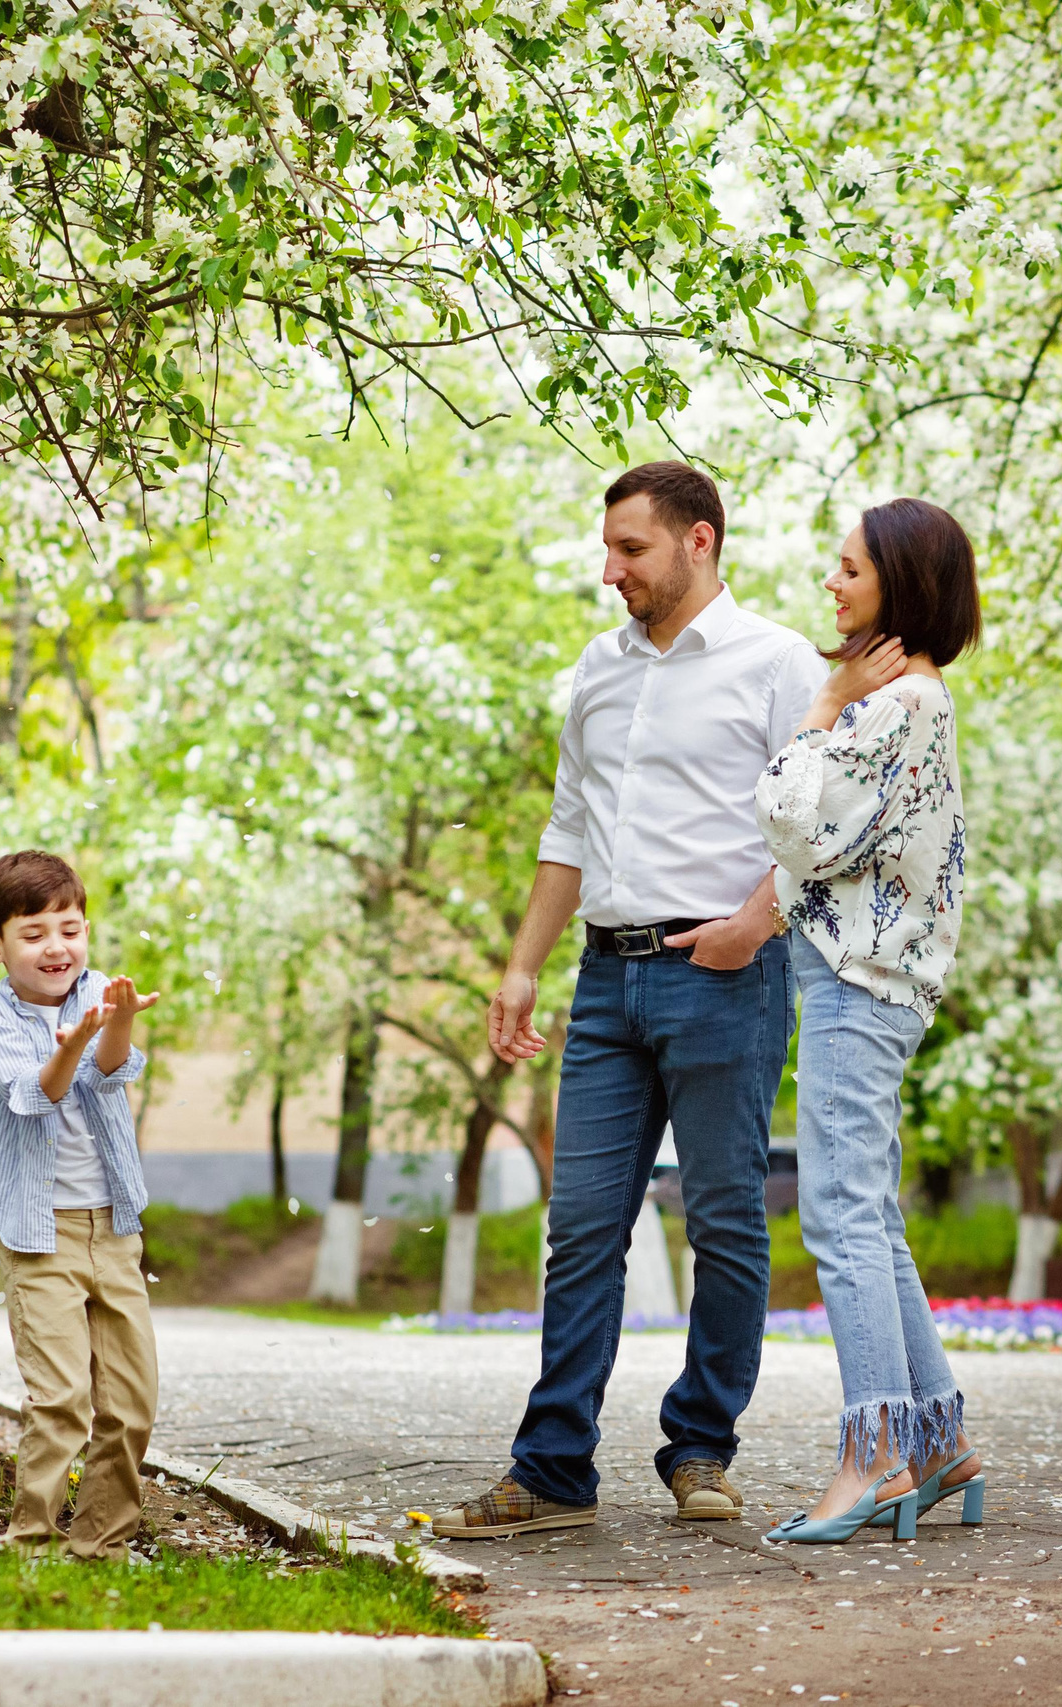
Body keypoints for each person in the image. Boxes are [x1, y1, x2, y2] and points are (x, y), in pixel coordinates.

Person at [436, 461, 824, 1539]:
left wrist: (756, 922)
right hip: (606, 981)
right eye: (608, 549)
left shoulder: (776, 662)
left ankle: (701, 1447)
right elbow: (570, 828)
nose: (611, 571)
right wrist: (524, 964)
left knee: (725, 1223)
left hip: (724, 974)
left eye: (631, 549)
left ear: (699, 541)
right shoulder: (598, 670)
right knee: (580, 1230)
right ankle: (553, 1469)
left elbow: (820, 823)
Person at [753, 498, 983, 1544]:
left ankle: (874, 1459)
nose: (832, 583)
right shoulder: (915, 702)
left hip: (857, 984)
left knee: (839, 1217)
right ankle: (938, 1442)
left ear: (902, 582)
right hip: (874, 983)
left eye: (850, 568)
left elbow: (792, 822)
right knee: (870, 1217)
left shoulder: (892, 705)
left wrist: (822, 703)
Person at [0, 848, 164, 1559]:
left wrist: (117, 1022)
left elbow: (110, 1074)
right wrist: (72, 1043)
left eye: (70, 929)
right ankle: (32, 1542)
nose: (57, 947)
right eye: (35, 933)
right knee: (61, 1401)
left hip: (113, 1228)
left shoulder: (99, 990)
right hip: (39, 1233)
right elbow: (35, 1094)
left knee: (131, 1401)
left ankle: (100, 1544)